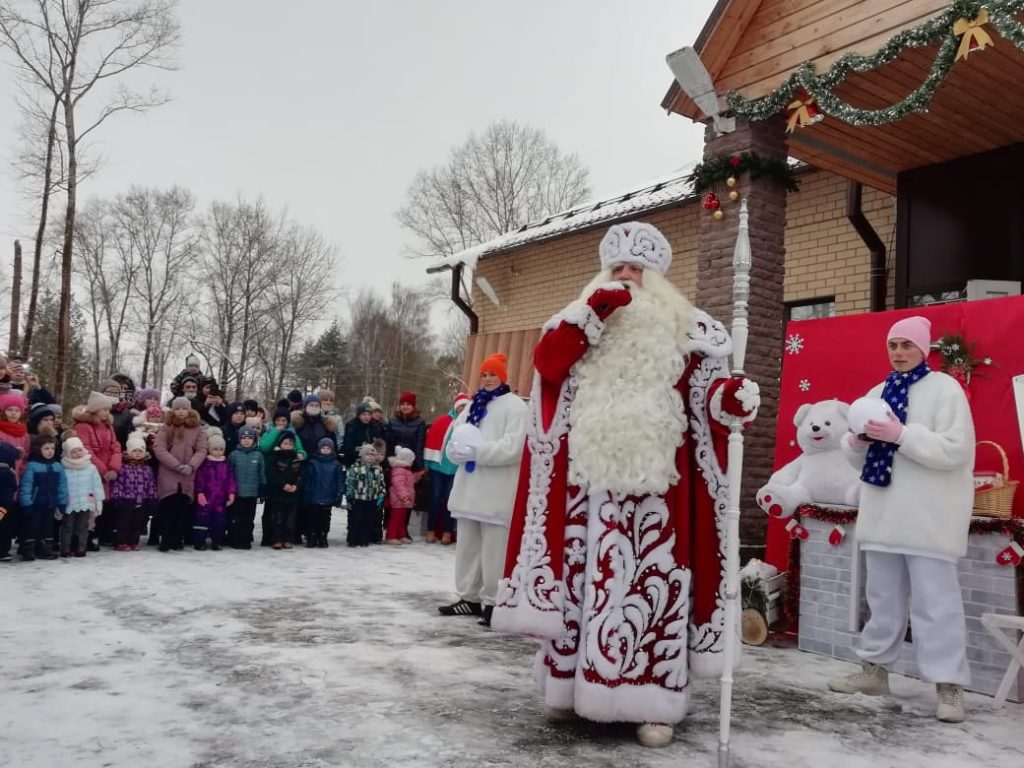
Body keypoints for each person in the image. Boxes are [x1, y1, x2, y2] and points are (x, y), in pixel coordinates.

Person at [492, 222, 759, 748]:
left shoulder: (689, 331)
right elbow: (548, 367)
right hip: (585, 493)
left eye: (636, 270)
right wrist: (594, 312)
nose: (626, 277)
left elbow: (709, 401)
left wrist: (732, 400)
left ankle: (652, 703)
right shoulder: (575, 322)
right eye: (617, 269)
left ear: (656, 279)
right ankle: (570, 691)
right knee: (580, 591)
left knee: (652, 594)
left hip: (661, 495)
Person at [829, 315, 974, 723]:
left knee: (936, 603)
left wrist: (902, 436)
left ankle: (948, 685)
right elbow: (860, 453)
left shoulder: (945, 390)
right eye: (893, 345)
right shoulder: (878, 391)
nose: (898, 353)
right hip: (884, 511)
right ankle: (875, 671)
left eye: (907, 345)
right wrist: (854, 442)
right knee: (882, 598)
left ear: (924, 349)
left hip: (928, 516)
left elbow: (956, 450)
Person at [439, 353, 528, 628]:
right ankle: (469, 597)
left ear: (503, 376)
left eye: (493, 374)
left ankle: (493, 601)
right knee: (467, 548)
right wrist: (456, 452)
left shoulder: (515, 407)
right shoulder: (472, 405)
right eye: (484, 374)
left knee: (494, 552)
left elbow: (514, 447)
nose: (488, 379)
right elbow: (452, 440)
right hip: (469, 491)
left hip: (496, 491)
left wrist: (478, 452)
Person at [152, 397, 209, 552]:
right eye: (178, 409)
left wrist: (192, 465)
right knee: (167, 508)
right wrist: (176, 465)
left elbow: (202, 449)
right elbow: (159, 449)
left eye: (184, 408)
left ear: (189, 410)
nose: (181, 412)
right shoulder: (166, 427)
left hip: (187, 474)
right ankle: (165, 539)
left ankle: (177, 539)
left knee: (182, 508)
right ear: (173, 410)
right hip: (169, 473)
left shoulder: (198, 429)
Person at [73, 391, 123, 548]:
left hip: (108, 472)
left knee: (104, 504)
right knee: (90, 505)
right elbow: (86, 449)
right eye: (104, 409)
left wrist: (114, 467)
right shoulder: (83, 426)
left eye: (108, 410)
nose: (107, 413)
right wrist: (102, 470)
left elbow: (116, 447)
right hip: (92, 472)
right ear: (95, 409)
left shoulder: (108, 426)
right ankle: (85, 537)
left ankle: (103, 533)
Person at [423, 392, 470, 544]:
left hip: (456, 469)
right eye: (460, 406)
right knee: (435, 498)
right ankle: (430, 530)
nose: (462, 409)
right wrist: (428, 464)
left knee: (450, 501)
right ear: (456, 407)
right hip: (439, 466)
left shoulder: (470, 425)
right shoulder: (443, 421)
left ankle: (447, 532)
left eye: (465, 406)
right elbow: (432, 441)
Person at [16, 436, 66, 561]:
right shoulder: (32, 466)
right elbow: (26, 486)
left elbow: (62, 486)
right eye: (46, 448)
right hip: (35, 503)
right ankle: (28, 549)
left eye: (52, 448)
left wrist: (62, 502)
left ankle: (45, 549)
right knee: (32, 526)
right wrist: (26, 503)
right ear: (38, 449)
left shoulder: (57, 466)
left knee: (47, 527)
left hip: (50, 503)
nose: (50, 451)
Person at [108, 431, 157, 551]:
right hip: (126, 499)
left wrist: (152, 497)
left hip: (142, 499)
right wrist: (117, 496)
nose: (137, 453)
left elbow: (151, 484)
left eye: (140, 451)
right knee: (124, 522)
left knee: (138, 523)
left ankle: (133, 541)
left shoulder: (147, 469)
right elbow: (118, 483)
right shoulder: (124, 468)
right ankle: (121, 542)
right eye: (134, 451)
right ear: (129, 452)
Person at [58, 436, 105, 558]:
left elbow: (97, 486)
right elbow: (59, 487)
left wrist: (98, 502)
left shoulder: (90, 467)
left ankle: (81, 548)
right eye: (73, 452)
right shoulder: (63, 468)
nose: (77, 454)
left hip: (85, 502)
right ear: (67, 453)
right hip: (69, 503)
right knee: (67, 526)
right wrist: (58, 505)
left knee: (82, 526)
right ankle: (66, 549)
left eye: (79, 450)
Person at [193, 433, 236, 551]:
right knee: (202, 520)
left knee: (219, 522)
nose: (218, 452)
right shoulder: (205, 464)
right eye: (215, 449)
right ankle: (199, 542)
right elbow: (199, 479)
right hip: (207, 498)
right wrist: (200, 493)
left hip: (220, 499)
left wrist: (231, 493)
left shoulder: (226, 464)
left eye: (221, 449)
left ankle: (217, 542)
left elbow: (230, 480)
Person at [301, 437, 344, 548]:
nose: (325, 450)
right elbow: (308, 480)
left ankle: (323, 536)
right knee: (312, 518)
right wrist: (306, 494)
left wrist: (338, 496)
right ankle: (312, 536)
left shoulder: (336, 464)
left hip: (328, 496)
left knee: (325, 519)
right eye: (323, 448)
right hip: (314, 496)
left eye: (328, 448)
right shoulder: (313, 463)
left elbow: (339, 481)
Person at [228, 426, 265, 549]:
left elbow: (261, 473)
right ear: (239, 439)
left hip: (252, 493)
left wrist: (262, 489)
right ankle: (236, 539)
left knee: (249, 519)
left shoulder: (258, 455)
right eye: (244, 438)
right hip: (238, 493)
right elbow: (229, 474)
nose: (247, 440)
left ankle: (246, 539)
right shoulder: (234, 455)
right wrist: (230, 490)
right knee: (237, 518)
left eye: (250, 438)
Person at [345, 440, 386, 547]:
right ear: (362, 455)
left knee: (367, 520)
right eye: (368, 454)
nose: (370, 457)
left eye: (373, 455)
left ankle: (364, 539)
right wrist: (349, 496)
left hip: (371, 499)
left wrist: (381, 494)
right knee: (355, 520)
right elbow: (349, 482)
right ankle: (353, 539)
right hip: (357, 498)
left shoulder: (377, 468)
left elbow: (381, 483)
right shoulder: (355, 467)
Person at [266, 432, 303, 550]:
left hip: (293, 494)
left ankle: (288, 539)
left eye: (290, 444)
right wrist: (283, 485)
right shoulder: (275, 457)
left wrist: (296, 485)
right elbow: (272, 474)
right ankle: (277, 539)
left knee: (290, 518)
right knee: (277, 518)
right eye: (285, 443)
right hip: (278, 493)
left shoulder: (297, 459)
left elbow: (302, 475)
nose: (287, 446)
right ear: (280, 444)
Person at [385, 446, 418, 545]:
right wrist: (404, 497)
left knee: (402, 518)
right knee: (396, 518)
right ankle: (391, 536)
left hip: (404, 500)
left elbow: (410, 481)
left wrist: (418, 475)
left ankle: (401, 534)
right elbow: (399, 485)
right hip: (399, 500)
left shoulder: (405, 470)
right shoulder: (399, 471)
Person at [387, 391, 426, 469]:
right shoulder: (393, 421)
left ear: (413, 406)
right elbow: (389, 442)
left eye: (408, 404)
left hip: (411, 461)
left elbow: (419, 444)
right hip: (395, 460)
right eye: (403, 404)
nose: (405, 407)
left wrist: (419, 466)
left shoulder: (419, 422)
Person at [0, 390, 31, 474]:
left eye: (17, 410)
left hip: (16, 475)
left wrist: (22, 468)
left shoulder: (24, 435)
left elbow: (26, 455)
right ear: (3, 412)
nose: (13, 413)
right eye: (10, 410)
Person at [0, 443, 19, 562]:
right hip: (5, 507)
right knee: (4, 528)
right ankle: (2, 551)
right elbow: (12, 488)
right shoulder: (9, 472)